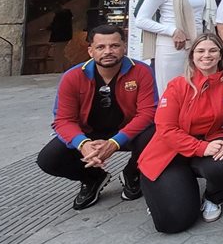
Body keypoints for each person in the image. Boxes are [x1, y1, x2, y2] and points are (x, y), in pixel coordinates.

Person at [138, 34, 223, 232]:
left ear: (220, 54)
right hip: (171, 153)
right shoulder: (178, 85)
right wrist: (200, 148)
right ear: (192, 56)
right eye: (200, 51)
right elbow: (166, 128)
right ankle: (165, 192)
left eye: (212, 50)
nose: (206, 55)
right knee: (173, 224)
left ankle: (213, 197)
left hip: (211, 141)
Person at [37, 25, 157, 210]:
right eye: (101, 47)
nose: (108, 51)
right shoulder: (73, 76)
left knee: (156, 134)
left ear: (124, 47)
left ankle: (132, 173)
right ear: (90, 50)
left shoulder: (142, 71)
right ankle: (93, 177)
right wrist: (82, 144)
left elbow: (148, 113)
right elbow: (63, 120)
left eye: (114, 46)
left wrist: (115, 142)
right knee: (48, 160)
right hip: (88, 134)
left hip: (126, 134)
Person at [136, 0, 218, 94]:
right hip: (172, 47)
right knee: (172, 92)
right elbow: (141, 20)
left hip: (197, 45)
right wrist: (172, 30)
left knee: (197, 92)